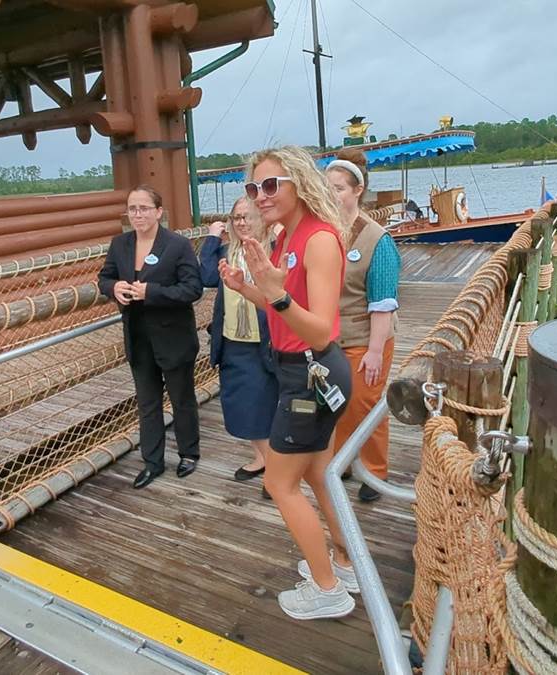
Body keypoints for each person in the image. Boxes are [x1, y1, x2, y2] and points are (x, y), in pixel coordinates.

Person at [220, 146, 357, 620]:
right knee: (318, 474)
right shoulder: (285, 238)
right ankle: (345, 563)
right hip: (300, 371)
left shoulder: (318, 240)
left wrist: (275, 294)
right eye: (254, 187)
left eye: (271, 185)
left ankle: (327, 589)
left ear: (299, 183)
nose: (260, 195)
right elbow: (285, 307)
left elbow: (319, 330)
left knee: (280, 484)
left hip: (311, 373)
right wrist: (248, 288)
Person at [98, 185, 203, 489]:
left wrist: (151, 292)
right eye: (133, 208)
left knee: (182, 399)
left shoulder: (177, 245)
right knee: (147, 403)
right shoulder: (120, 244)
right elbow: (104, 277)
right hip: (138, 337)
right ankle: (152, 462)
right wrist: (114, 288)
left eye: (144, 208)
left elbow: (193, 289)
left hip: (174, 338)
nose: (138, 214)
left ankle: (188, 453)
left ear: (159, 212)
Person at [325, 148, 401, 502]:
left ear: (358, 190)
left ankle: (374, 469)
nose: (332, 195)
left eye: (339, 188)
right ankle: (342, 461)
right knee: (337, 401)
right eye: (327, 188)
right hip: (331, 338)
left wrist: (374, 351)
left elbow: (382, 303)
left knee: (366, 403)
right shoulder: (325, 232)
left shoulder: (376, 239)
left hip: (366, 336)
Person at [199, 198, 277, 482]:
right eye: (236, 218)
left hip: (264, 343)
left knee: (265, 405)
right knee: (241, 405)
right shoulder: (226, 251)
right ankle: (263, 459)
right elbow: (207, 276)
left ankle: (276, 471)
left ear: (262, 218)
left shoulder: (274, 250)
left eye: (248, 216)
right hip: (233, 342)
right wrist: (211, 239)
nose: (242, 223)